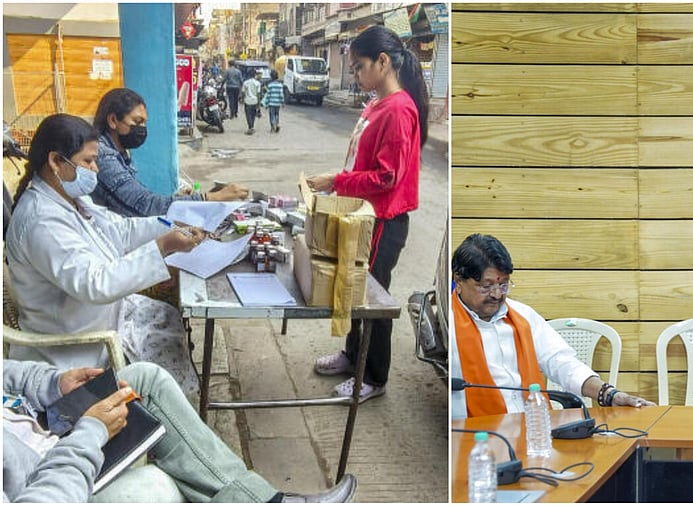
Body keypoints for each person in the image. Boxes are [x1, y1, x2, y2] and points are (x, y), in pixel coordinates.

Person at [6, 114, 204, 396]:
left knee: (166, 318)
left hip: (101, 316)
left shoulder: (69, 198)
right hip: (74, 342)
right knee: (160, 358)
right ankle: (163, 414)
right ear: (55, 161)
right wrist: (162, 247)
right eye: (88, 161)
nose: (95, 169)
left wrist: (170, 224)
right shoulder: (41, 221)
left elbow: (120, 230)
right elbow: (96, 284)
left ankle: (176, 404)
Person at [3, 359, 357, 503]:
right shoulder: (42, 220)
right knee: (159, 484)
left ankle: (259, 500)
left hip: (44, 429)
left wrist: (53, 383)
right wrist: (91, 432)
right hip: (50, 480)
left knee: (146, 379)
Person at [306, 25, 430, 403]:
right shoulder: (378, 103)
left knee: (372, 299)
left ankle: (373, 377)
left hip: (384, 221)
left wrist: (337, 180)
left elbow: (387, 175)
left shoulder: (398, 109)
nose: (355, 75)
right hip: (365, 214)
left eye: (359, 67)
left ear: (383, 61)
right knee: (355, 288)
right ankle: (351, 355)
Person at [450, 234, 655, 418]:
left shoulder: (523, 316)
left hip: (536, 430)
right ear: (458, 280)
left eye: (503, 285)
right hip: (476, 439)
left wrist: (609, 394)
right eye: (486, 287)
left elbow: (561, 362)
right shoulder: (450, 323)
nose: (496, 294)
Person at [91, 88, 249, 218]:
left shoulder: (119, 153)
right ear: (113, 120)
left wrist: (182, 199)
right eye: (137, 122)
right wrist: (210, 198)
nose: (142, 129)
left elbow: (136, 196)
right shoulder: (101, 155)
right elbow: (145, 205)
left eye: (145, 123)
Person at [241, 69, 263, 135]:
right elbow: (258, 94)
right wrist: (259, 104)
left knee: (248, 115)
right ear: (254, 75)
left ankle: (250, 127)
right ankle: (252, 127)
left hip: (247, 101)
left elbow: (243, 92)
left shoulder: (245, 82)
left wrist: (242, 99)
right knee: (253, 115)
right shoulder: (258, 83)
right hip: (255, 101)